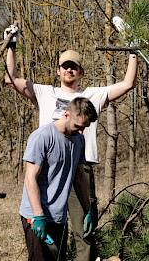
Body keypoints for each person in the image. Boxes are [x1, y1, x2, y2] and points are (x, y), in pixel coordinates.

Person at [3, 24, 137, 261]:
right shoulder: (45, 93)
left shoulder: (92, 95)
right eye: (65, 66)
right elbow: (10, 78)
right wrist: (11, 46)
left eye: (74, 66)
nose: (69, 70)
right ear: (58, 71)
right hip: (48, 167)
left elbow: (127, 83)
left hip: (79, 166)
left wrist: (133, 51)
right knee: (46, 237)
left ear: (81, 71)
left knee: (83, 232)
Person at [20, 97, 98, 261]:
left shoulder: (79, 140)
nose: (81, 131)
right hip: (36, 217)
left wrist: (87, 210)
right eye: (78, 126)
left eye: (85, 127)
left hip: (59, 217)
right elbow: (30, 178)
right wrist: (38, 215)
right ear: (66, 114)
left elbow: (79, 177)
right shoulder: (42, 136)